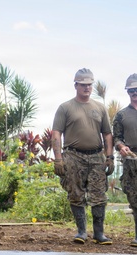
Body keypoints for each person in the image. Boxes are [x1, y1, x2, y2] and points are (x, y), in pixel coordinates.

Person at [52, 68, 114, 245]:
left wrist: (110, 157)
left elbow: (107, 135)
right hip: (73, 156)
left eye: (89, 84)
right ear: (76, 85)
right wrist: (58, 159)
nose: (87, 88)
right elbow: (56, 133)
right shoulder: (65, 108)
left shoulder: (100, 108)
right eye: (83, 85)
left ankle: (99, 234)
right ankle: (81, 232)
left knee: (98, 195)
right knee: (76, 194)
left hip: (96, 157)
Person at [112, 73, 137, 247]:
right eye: (131, 90)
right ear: (127, 92)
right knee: (134, 198)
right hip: (131, 160)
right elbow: (116, 138)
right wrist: (121, 147)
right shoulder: (121, 116)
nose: (135, 93)